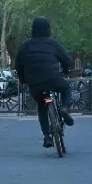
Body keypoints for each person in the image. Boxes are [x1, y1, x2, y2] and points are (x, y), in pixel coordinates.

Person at [14, 16, 74, 149]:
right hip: (53, 79)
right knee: (66, 88)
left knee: (42, 106)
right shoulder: (53, 43)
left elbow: (18, 65)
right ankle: (64, 108)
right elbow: (67, 59)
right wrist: (65, 70)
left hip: (35, 83)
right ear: (48, 29)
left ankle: (47, 136)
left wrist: (23, 79)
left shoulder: (26, 45)